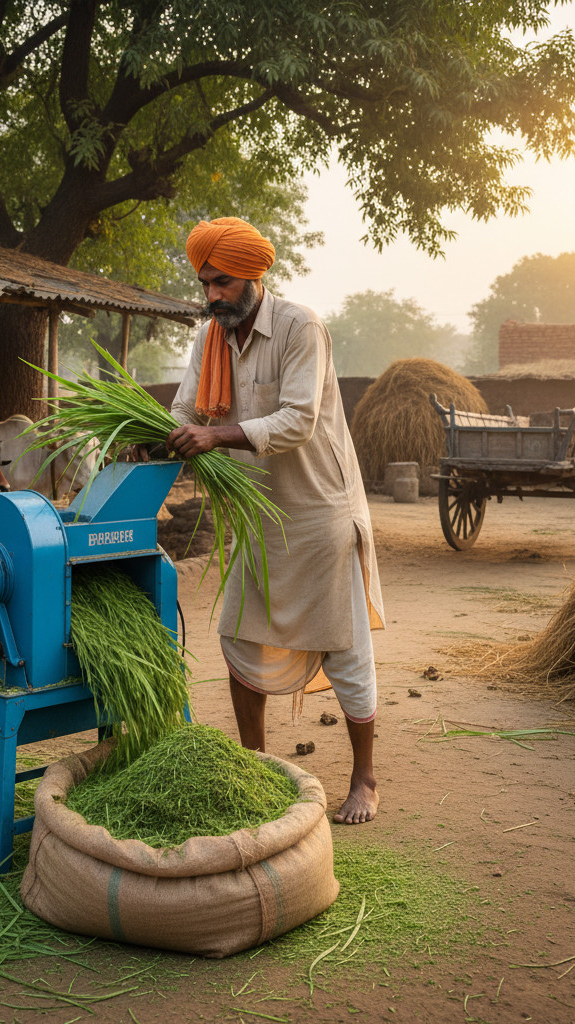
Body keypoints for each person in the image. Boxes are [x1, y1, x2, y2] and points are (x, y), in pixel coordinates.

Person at [167, 217, 384, 824]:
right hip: (256, 516)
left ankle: (365, 778)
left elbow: (299, 419)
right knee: (238, 633)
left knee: (344, 648)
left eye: (223, 283)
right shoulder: (208, 336)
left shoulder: (300, 326)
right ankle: (256, 766)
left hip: (319, 513)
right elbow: (185, 407)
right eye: (205, 283)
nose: (212, 295)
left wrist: (215, 433)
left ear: (253, 276)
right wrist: (150, 430)